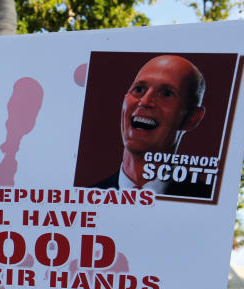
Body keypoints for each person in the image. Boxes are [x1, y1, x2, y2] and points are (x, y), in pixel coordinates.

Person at [90, 55, 210, 197]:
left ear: (192, 117)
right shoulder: (84, 198)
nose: (145, 101)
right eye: (139, 89)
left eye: (166, 93)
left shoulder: (206, 199)